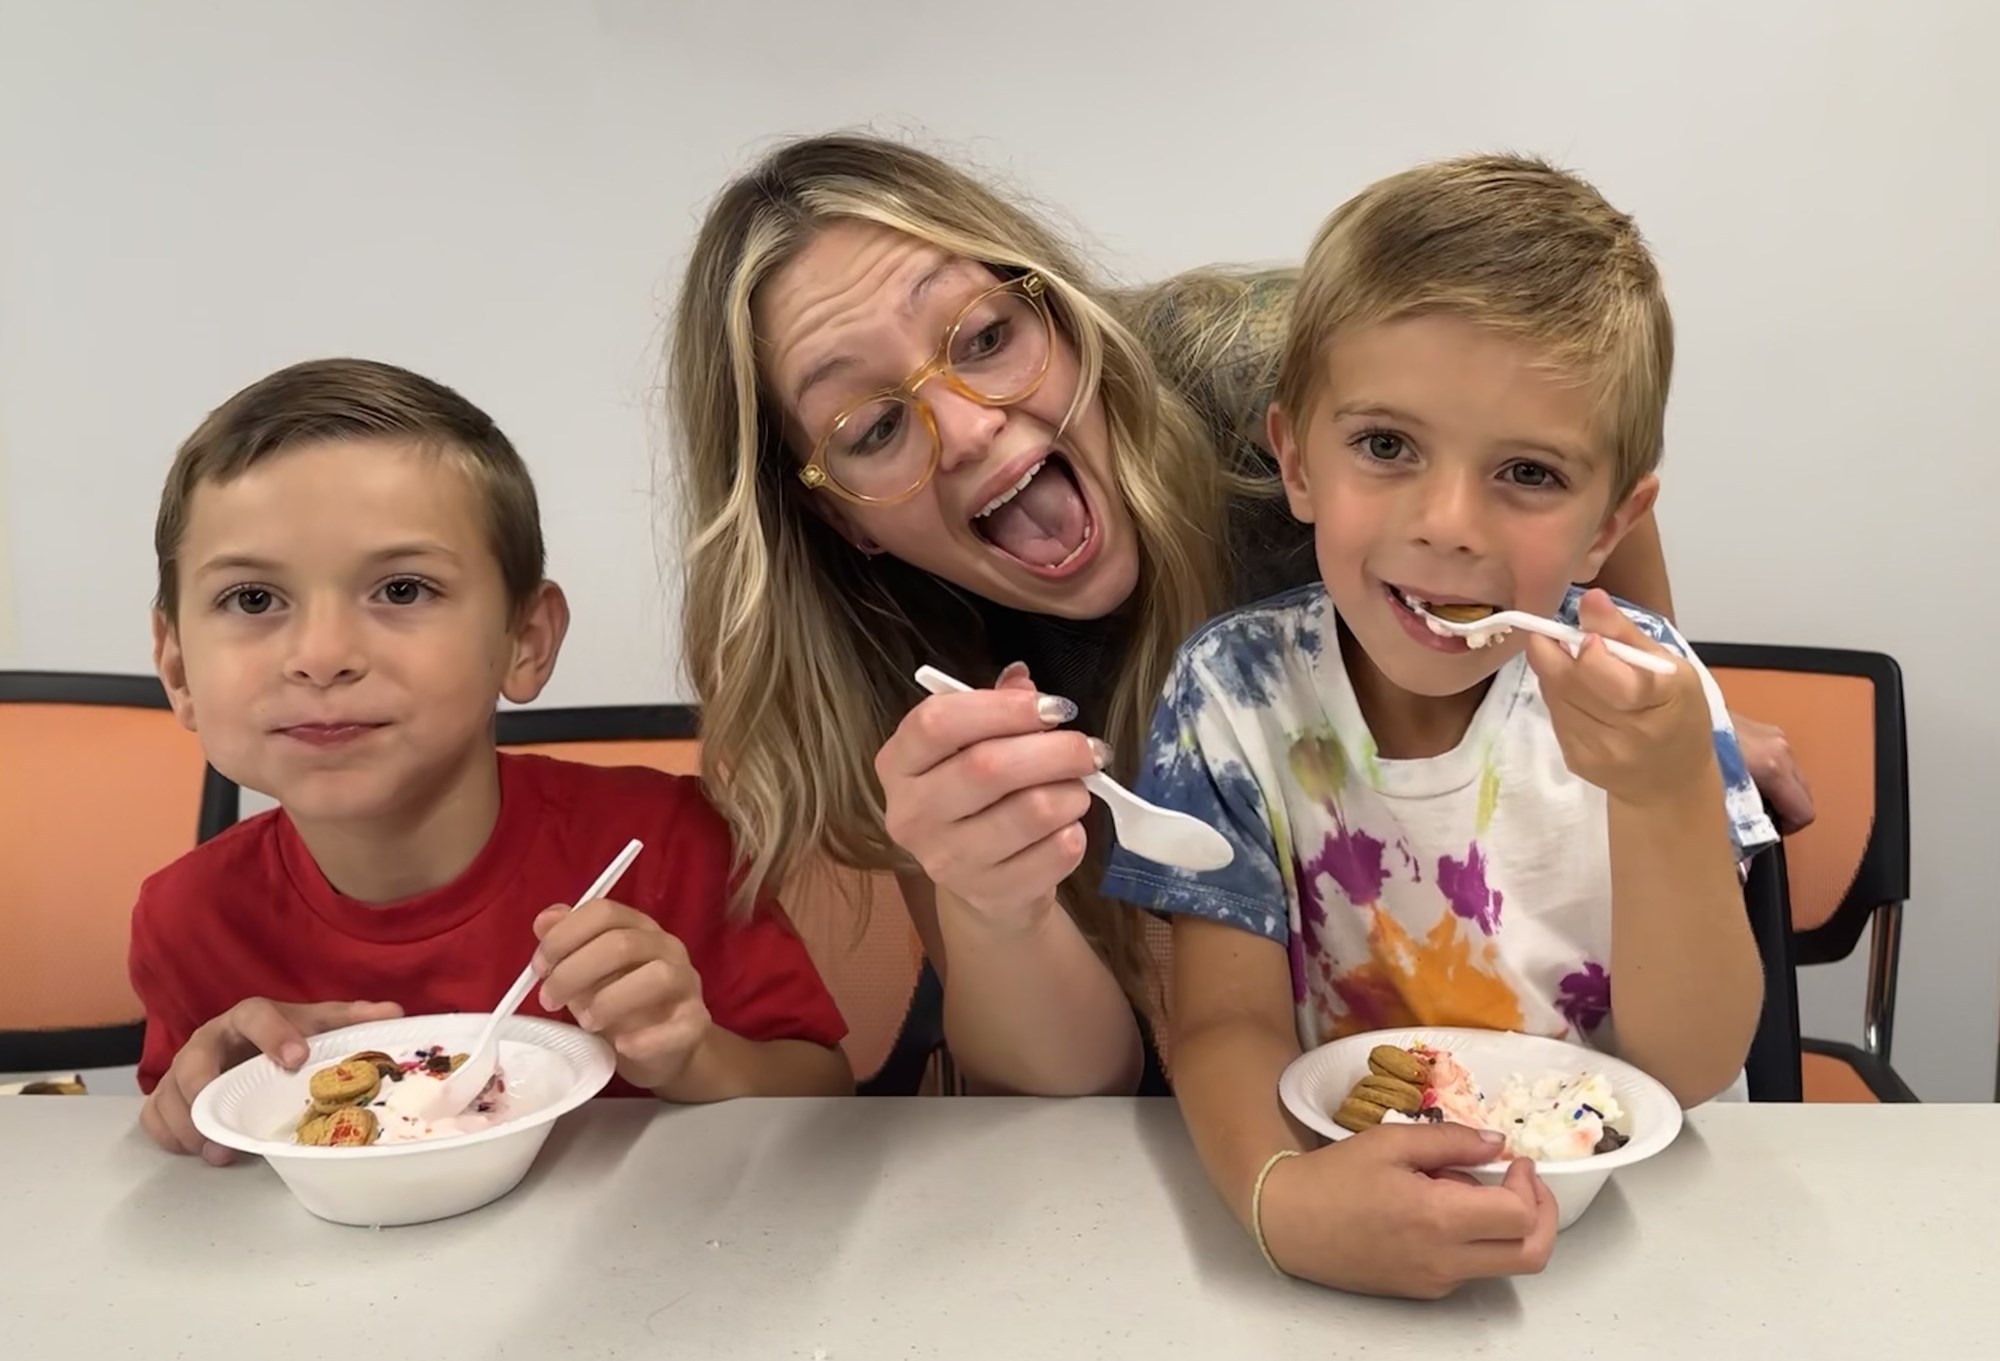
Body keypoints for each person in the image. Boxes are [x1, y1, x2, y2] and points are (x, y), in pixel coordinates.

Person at [667, 132, 1808, 1098]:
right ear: (837, 518)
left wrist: (1648, 726)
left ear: (1057, 313)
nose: (966, 428)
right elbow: (1083, 1087)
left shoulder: (1259, 376)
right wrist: (991, 906)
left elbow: (1559, 447)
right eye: (871, 429)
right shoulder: (884, 670)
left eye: (983, 339)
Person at [1103, 155, 1776, 1296]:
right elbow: (1219, 1022)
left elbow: (1689, 1066)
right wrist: (1280, 1199)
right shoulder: (1233, 693)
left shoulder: (1645, 693)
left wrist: (1661, 795)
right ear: (1294, 457)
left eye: (1526, 471)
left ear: (1611, 521)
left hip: (1625, 1245)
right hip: (1329, 1204)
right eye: (1384, 446)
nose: (1448, 524)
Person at [133, 358, 850, 1164]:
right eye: (253, 599)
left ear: (526, 640)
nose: (322, 655)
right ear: (178, 667)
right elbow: (178, 1145)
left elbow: (827, 1092)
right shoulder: (186, 919)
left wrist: (695, 1056)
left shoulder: (666, 844)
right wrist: (204, 1104)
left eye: (402, 590)